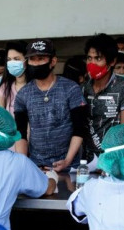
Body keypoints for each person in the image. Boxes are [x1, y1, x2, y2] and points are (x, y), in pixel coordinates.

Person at [14, 38, 87, 172]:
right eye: (32, 59)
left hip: (69, 167)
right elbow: (20, 133)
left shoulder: (71, 89)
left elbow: (79, 129)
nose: (36, 63)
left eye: (41, 58)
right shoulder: (22, 95)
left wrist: (67, 161)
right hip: (36, 167)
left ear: (53, 61)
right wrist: (23, 164)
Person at [82, 33, 124, 167]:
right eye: (89, 58)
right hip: (87, 161)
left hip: (114, 160)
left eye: (98, 58)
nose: (92, 63)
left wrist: (114, 162)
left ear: (112, 61)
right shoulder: (83, 88)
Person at [0, 40, 29, 115]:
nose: (12, 62)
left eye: (16, 59)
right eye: (9, 59)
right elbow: (0, 115)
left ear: (27, 60)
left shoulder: (35, 86)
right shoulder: (5, 87)